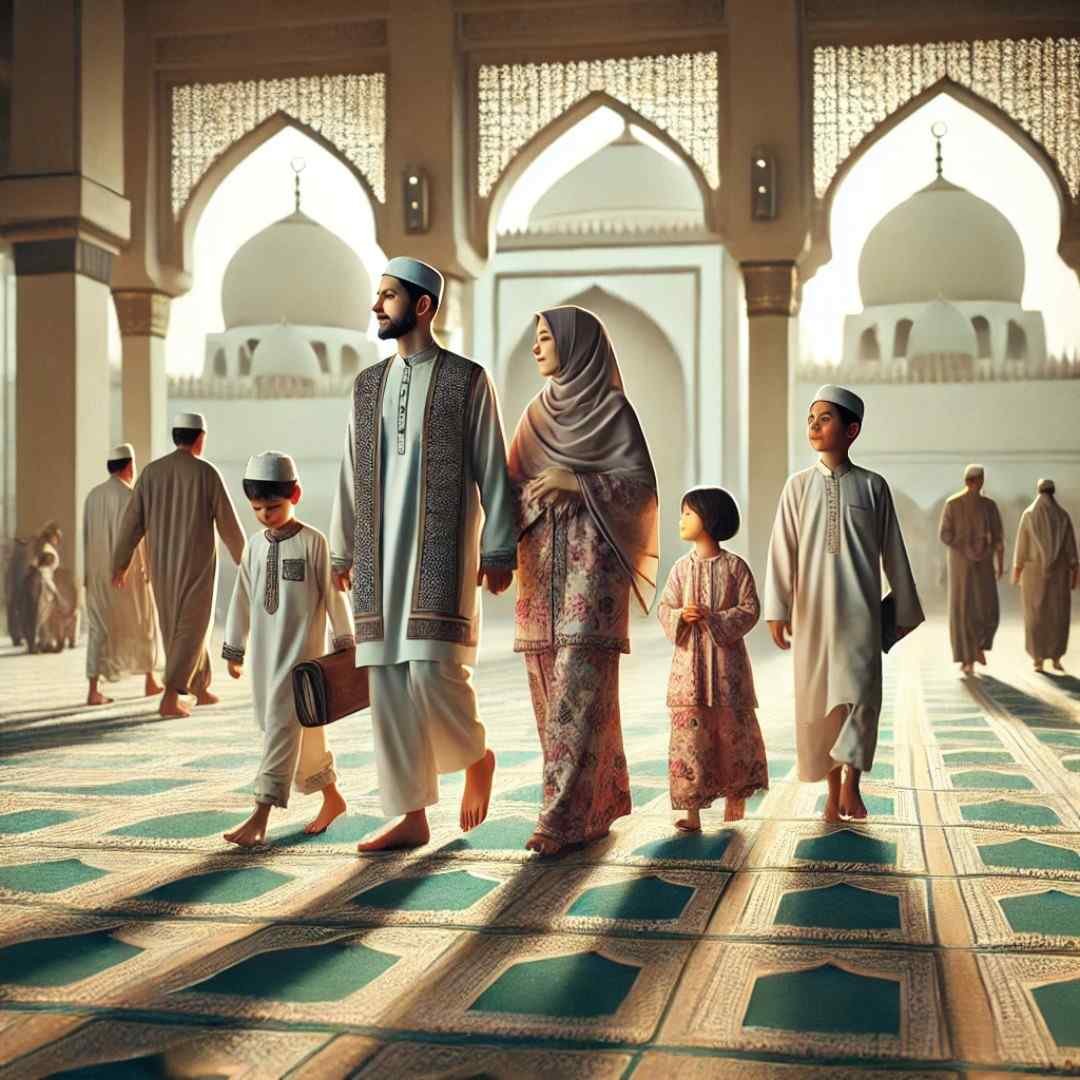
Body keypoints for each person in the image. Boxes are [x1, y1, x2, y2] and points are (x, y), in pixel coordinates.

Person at [330, 257, 515, 852]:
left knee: (435, 673)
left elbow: (493, 464)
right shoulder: (366, 385)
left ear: (424, 306)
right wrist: (342, 550)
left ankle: (475, 755)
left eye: (387, 296)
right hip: (378, 560)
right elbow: (349, 471)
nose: (376, 306)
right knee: (386, 681)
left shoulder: (467, 379)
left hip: (441, 552)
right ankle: (411, 814)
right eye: (376, 296)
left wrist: (499, 546)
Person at [509, 306, 659, 856]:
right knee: (552, 695)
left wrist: (579, 482)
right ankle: (600, 803)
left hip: (592, 578)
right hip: (540, 576)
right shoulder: (534, 415)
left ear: (577, 346)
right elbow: (512, 488)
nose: (537, 348)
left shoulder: (613, 411)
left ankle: (561, 819)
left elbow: (641, 491)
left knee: (580, 689)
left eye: (546, 338)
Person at [765, 385, 924, 823]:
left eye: (825, 418)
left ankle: (853, 782)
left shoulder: (874, 487)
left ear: (852, 430)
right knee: (820, 705)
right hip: (812, 614)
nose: (814, 426)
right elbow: (783, 550)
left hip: (860, 612)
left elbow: (893, 550)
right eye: (810, 418)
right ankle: (833, 793)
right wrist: (776, 608)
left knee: (861, 698)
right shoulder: (797, 487)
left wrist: (904, 609)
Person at [222, 453, 355, 847]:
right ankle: (332, 798)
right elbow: (241, 600)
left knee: (281, 729)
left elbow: (335, 597)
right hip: (265, 659)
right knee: (295, 731)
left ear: (295, 494)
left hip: (301, 661)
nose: (265, 515)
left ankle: (261, 813)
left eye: (273, 507)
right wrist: (234, 649)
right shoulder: (252, 547)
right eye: (258, 509)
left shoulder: (315, 542)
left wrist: (345, 646)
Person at [112, 413, 246, 719]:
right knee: (193, 628)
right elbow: (228, 522)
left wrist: (120, 563)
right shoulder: (205, 472)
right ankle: (170, 697)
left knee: (178, 627)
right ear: (200, 438)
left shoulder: (150, 473)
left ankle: (199, 687)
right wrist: (246, 559)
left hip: (161, 566)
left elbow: (131, 523)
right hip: (196, 566)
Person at [658, 486, 767, 831]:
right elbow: (665, 607)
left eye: (688, 514)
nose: (682, 520)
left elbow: (750, 609)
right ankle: (691, 811)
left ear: (710, 519)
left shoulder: (735, 568)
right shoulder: (679, 569)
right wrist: (680, 616)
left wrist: (715, 618)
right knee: (691, 737)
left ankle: (736, 794)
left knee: (731, 731)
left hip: (727, 670)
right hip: (688, 670)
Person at [83, 443, 162, 705]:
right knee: (144, 625)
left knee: (99, 629)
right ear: (129, 466)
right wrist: (147, 570)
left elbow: (86, 539)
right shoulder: (132, 496)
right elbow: (140, 539)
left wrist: (87, 576)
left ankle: (94, 689)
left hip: (97, 577)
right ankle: (150, 680)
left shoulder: (93, 496)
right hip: (129, 576)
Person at [939, 464, 1004, 676]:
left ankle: (976, 649)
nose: (979, 484)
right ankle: (969, 656)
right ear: (974, 481)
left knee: (981, 608)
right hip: (963, 567)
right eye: (978, 480)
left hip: (976, 565)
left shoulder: (986, 506)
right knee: (968, 609)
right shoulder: (957, 504)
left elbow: (998, 538)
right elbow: (945, 534)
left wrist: (997, 561)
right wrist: (969, 546)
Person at [1012, 478, 1079, 673]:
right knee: (1058, 614)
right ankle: (1056, 657)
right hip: (1059, 573)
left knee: (1035, 614)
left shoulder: (1029, 515)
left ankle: (1038, 658)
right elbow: (1072, 552)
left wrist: (1016, 573)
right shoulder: (1063, 516)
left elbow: (1021, 549)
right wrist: (1075, 574)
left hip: (1033, 574)